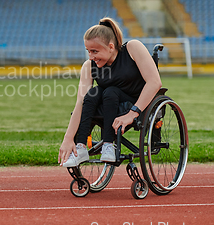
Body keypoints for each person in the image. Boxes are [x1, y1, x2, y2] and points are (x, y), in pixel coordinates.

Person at [58, 17, 162, 167]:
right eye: (88, 51)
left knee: (111, 91)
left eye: (95, 51)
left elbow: (155, 82)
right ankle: (80, 148)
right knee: (93, 94)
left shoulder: (132, 48)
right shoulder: (89, 66)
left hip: (137, 103)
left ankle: (108, 144)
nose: (91, 56)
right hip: (109, 105)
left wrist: (132, 113)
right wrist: (68, 139)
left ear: (111, 47)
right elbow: (80, 104)